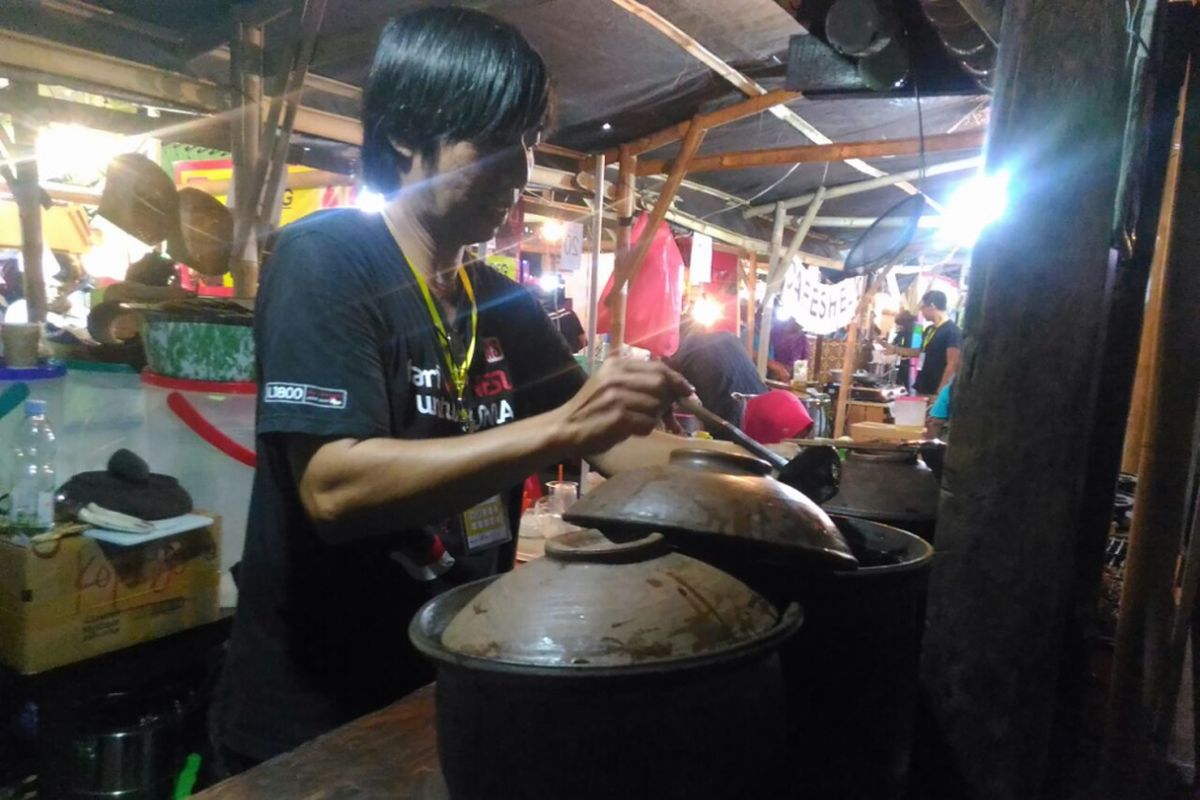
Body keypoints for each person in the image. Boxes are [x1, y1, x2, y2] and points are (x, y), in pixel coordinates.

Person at [216, 8, 697, 773]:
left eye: (531, 144)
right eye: (497, 143)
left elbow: (621, 444)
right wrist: (559, 429)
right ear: (406, 136)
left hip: (448, 682)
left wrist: (752, 479)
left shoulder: (500, 301)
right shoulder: (328, 260)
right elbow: (335, 490)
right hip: (313, 720)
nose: (521, 172)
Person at [889, 290, 962, 396]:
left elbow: (952, 363)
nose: (921, 312)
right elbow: (920, 352)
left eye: (922, 308)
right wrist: (895, 350)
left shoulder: (952, 331)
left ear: (932, 306)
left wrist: (940, 393)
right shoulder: (929, 329)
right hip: (923, 386)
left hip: (936, 389)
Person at [768, 312, 808, 383]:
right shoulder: (775, 330)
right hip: (769, 376)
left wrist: (798, 384)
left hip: (789, 381)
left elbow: (802, 365)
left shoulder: (802, 339)